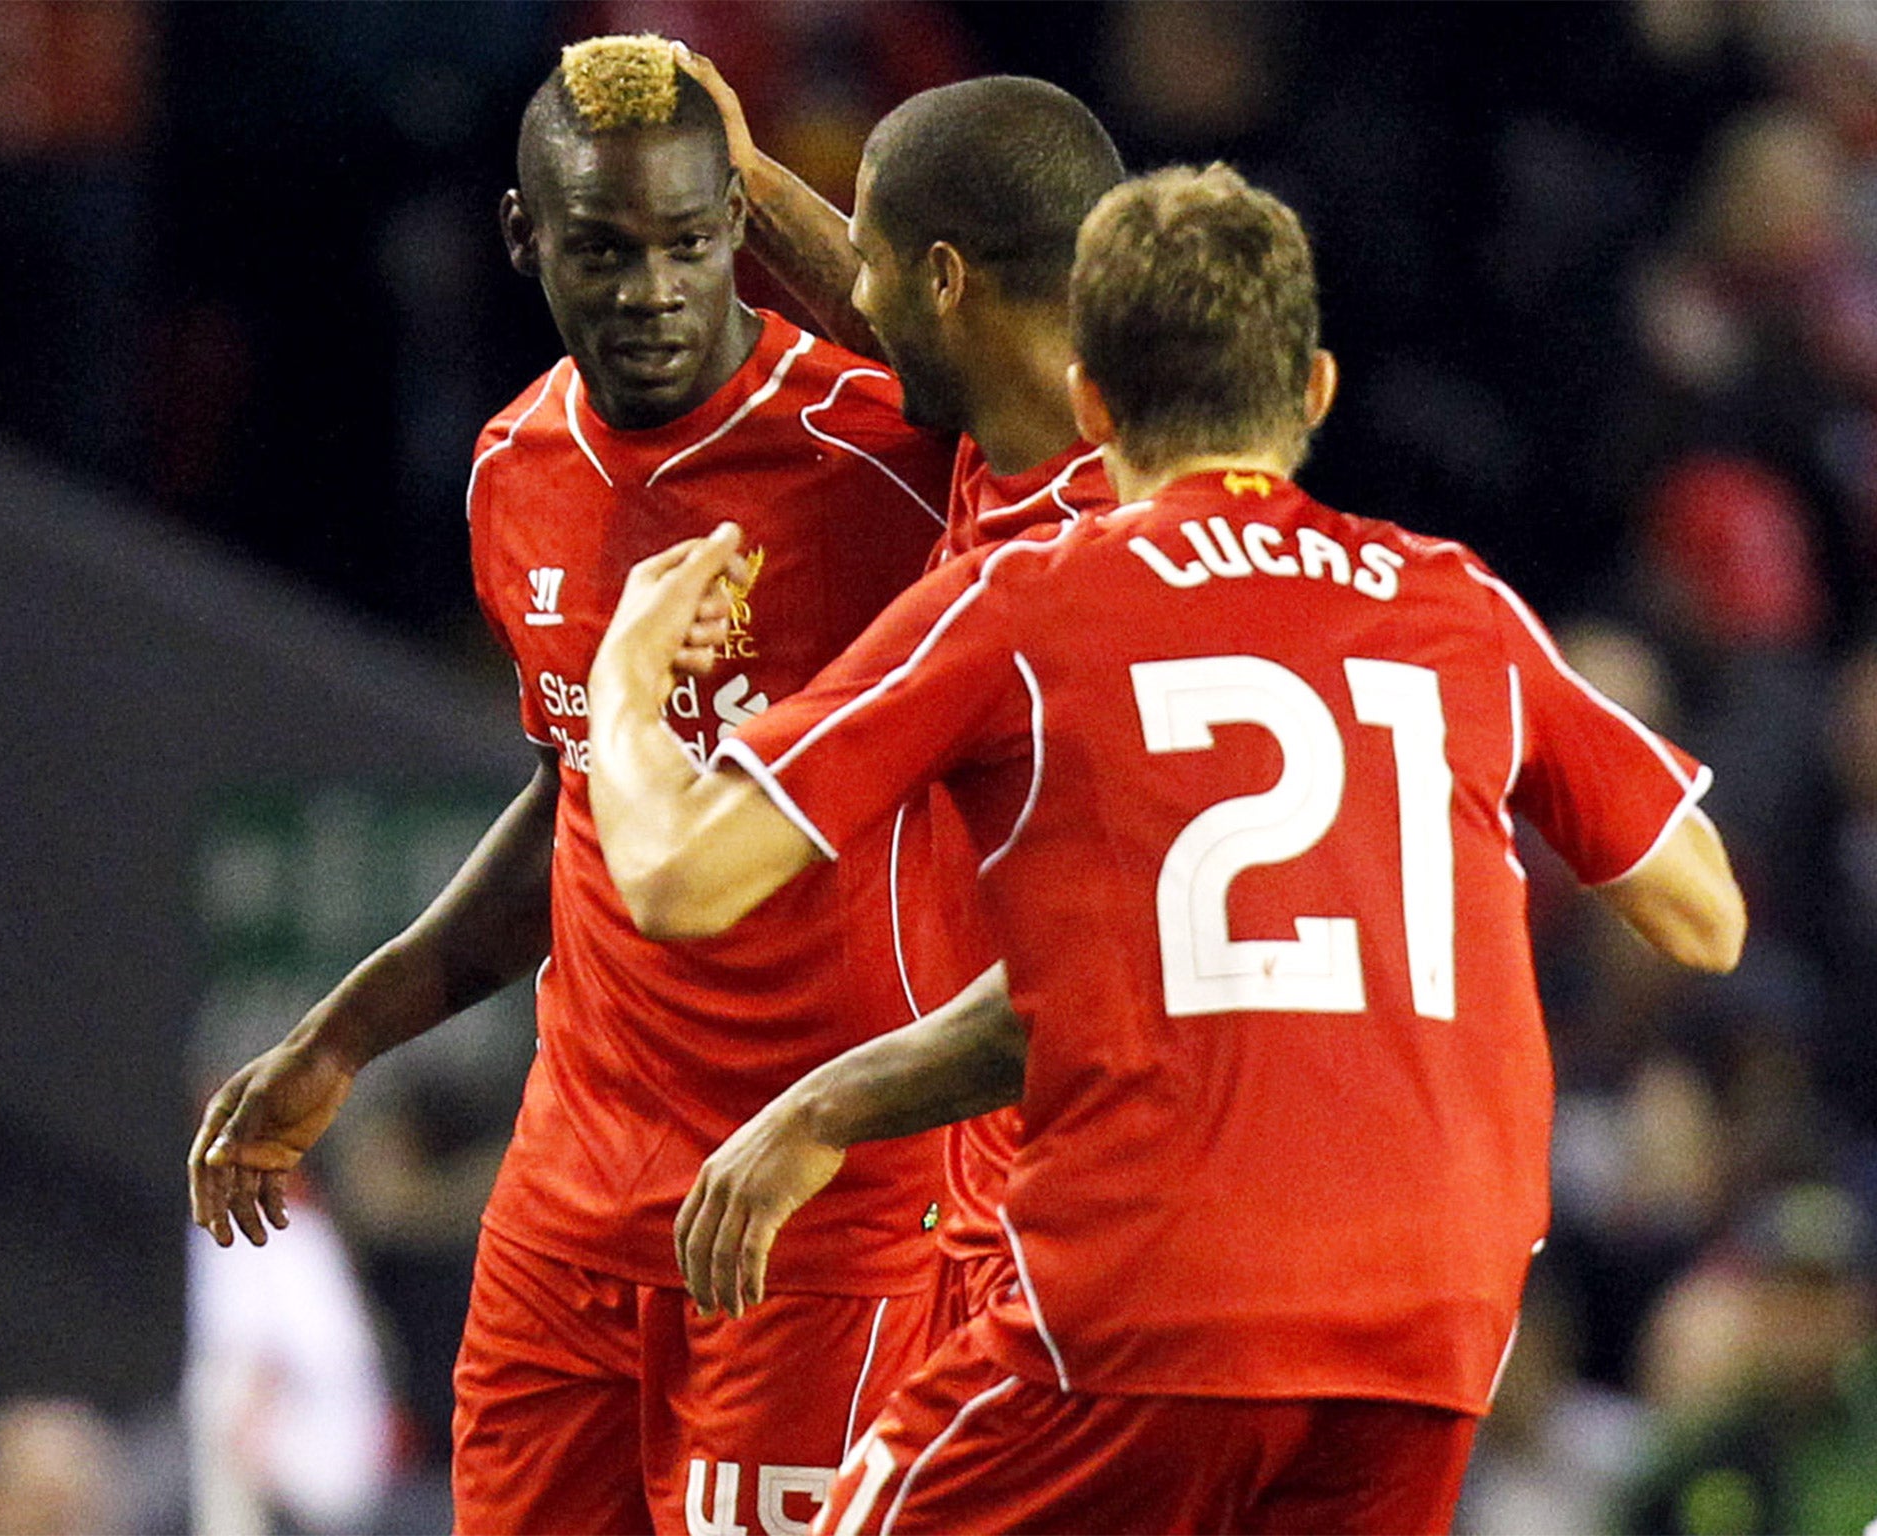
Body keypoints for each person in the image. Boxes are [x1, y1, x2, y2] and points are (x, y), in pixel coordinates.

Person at [582, 162, 1748, 1532]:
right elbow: (1705, 915)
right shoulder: (1462, 611)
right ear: (1312, 389)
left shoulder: (1029, 605)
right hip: (1434, 1314)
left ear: (1092, 403)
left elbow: (675, 875)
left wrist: (621, 678)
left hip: (1154, 1290)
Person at [188, 36, 959, 1536]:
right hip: (569, 1208)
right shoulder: (512, 471)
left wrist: (760, 165)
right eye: (605, 249)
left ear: (736, 225)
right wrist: (343, 1037)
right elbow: (582, 806)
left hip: (817, 1210)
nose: (654, 289)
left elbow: (1064, 404)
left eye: (690, 239)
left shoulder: (898, 463)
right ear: (522, 237)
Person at [677, 48, 1128, 1332]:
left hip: (1077, 1243)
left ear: (945, 280)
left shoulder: (1056, 580)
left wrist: (623, 689)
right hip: (1018, 1215)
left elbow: (681, 876)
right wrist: (751, 183)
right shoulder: (1062, 448)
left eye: (877, 259)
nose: (855, 296)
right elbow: (919, 329)